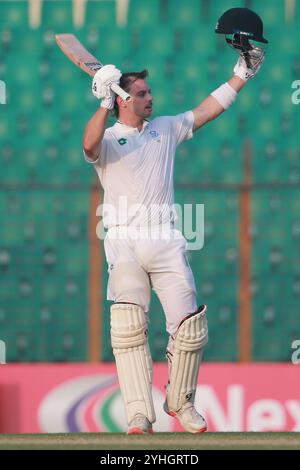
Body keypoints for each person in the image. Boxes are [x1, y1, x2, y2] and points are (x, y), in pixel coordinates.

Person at [83, 47, 264, 434]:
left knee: (190, 327)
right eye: (143, 94)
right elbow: (88, 146)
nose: (151, 98)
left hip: (165, 239)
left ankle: (181, 403)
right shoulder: (110, 138)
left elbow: (206, 110)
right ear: (124, 99)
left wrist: (241, 75)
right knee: (128, 327)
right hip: (124, 241)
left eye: (150, 92)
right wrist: (102, 104)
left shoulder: (165, 128)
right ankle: (137, 414)